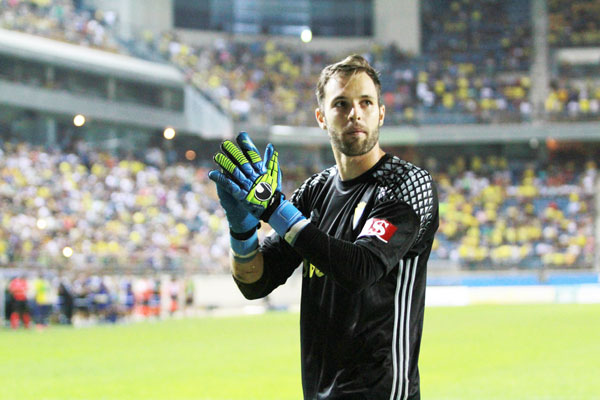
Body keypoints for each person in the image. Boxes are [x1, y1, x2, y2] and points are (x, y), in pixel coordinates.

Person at [209, 54, 439, 400]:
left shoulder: (407, 185)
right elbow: (256, 282)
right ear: (321, 117)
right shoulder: (315, 192)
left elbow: (360, 268)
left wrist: (275, 208)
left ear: (381, 112)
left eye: (365, 102)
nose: (354, 113)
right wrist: (241, 232)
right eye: (341, 104)